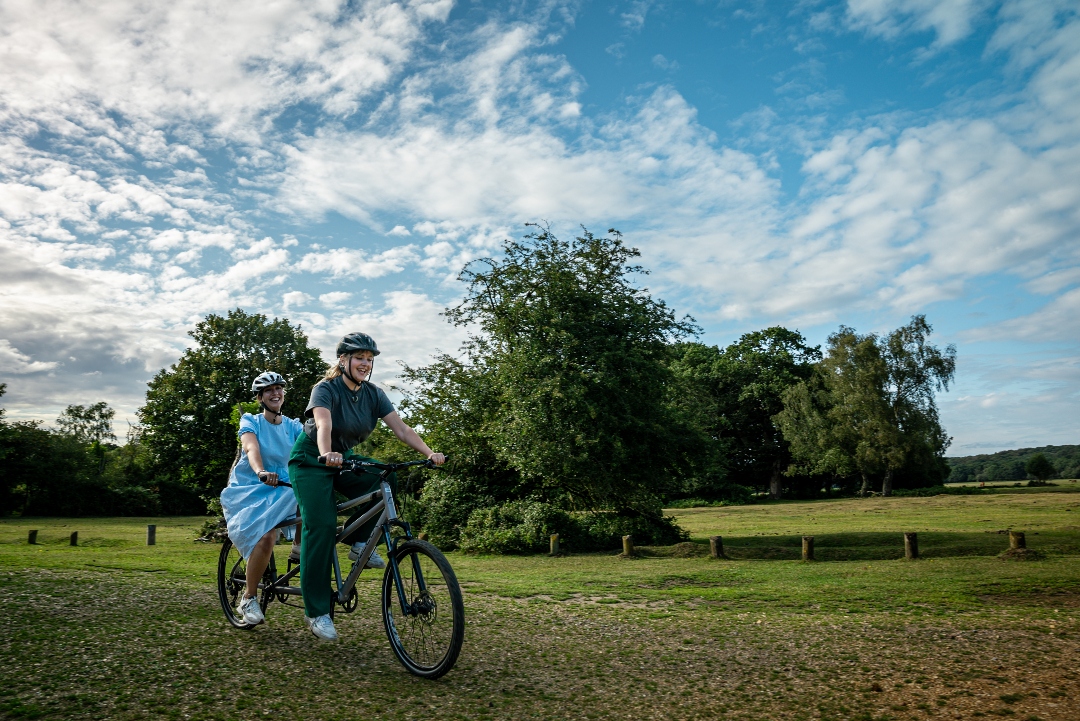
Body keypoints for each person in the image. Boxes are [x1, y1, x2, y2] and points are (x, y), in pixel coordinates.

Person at [288, 332, 445, 641]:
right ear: (343, 360)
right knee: (320, 525)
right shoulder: (325, 389)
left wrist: (429, 452)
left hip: (342, 456)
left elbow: (401, 429)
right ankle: (317, 610)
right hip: (311, 458)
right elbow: (324, 425)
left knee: (385, 477)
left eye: (370, 359)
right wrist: (325, 452)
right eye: (360, 358)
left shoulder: (373, 394)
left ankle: (360, 543)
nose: (365, 364)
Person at [221, 371, 305, 626]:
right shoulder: (252, 421)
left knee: (310, 492)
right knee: (266, 537)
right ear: (260, 397)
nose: (275, 393)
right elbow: (251, 447)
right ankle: (248, 597)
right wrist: (260, 471)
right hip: (255, 487)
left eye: (279, 388)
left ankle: (298, 550)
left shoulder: (294, 426)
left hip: (284, 488)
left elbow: (308, 452)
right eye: (268, 390)